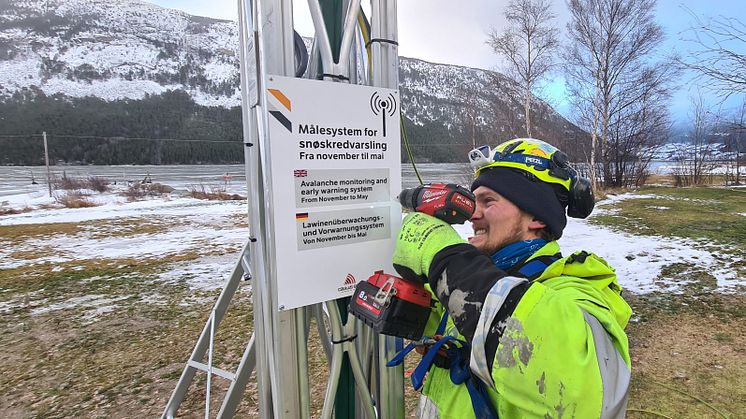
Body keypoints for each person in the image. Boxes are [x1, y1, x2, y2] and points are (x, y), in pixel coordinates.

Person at [392, 138, 632, 418]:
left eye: (488, 201)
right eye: (474, 200)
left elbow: (590, 392)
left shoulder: (578, 287)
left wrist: (443, 256)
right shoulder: (486, 279)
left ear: (537, 218)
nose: (473, 214)